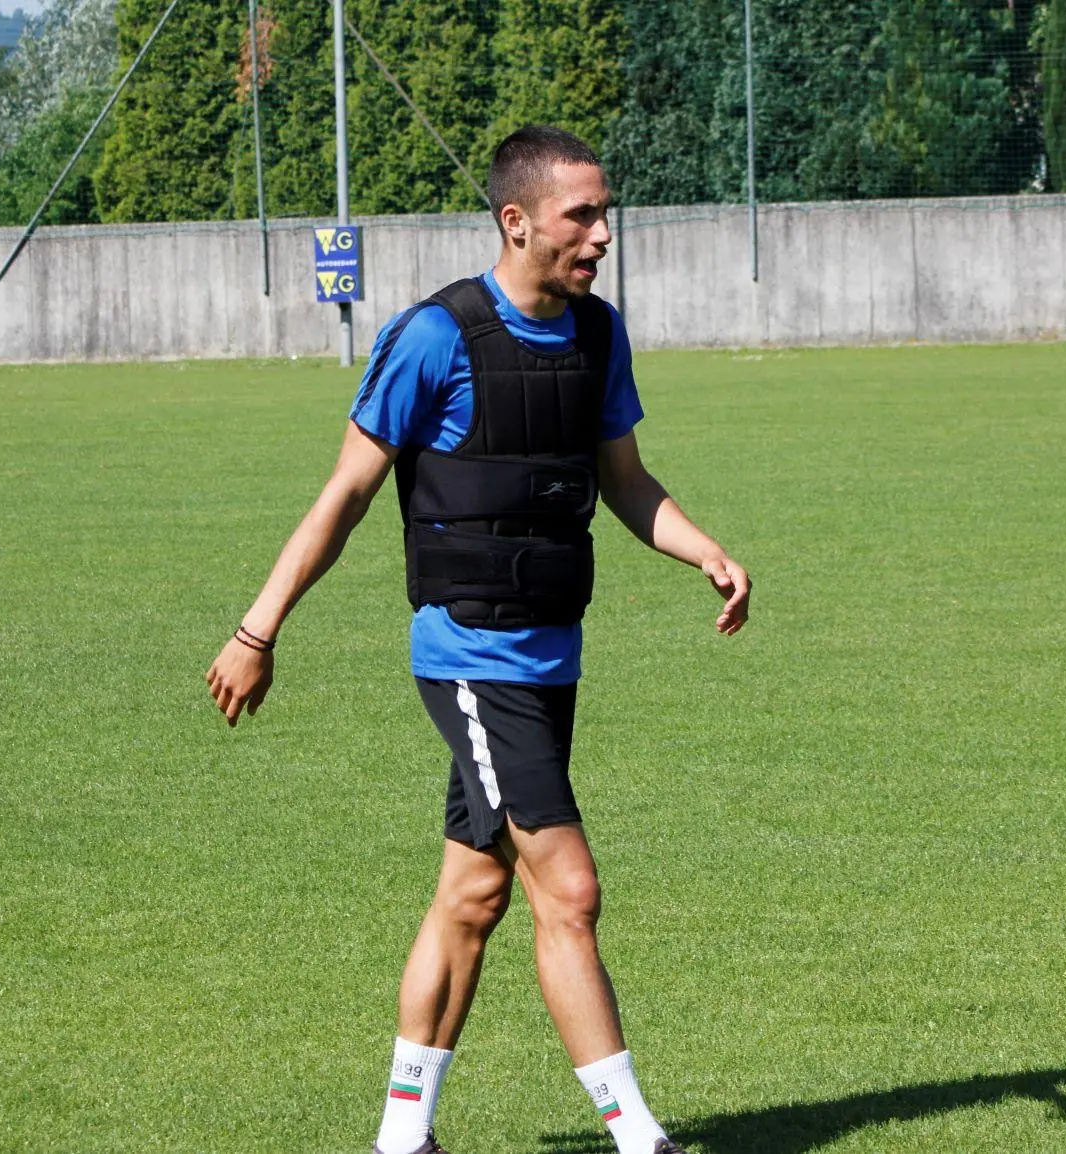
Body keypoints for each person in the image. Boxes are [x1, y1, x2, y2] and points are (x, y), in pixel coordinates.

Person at [205, 125, 751, 1154]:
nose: (602, 233)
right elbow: (346, 493)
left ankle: (401, 1135)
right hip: (469, 656)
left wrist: (704, 549)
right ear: (517, 221)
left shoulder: (598, 336)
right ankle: (640, 1138)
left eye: (605, 212)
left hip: (550, 657)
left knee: (475, 891)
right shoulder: (435, 336)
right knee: (570, 889)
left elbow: (626, 482)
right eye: (581, 214)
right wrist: (256, 629)